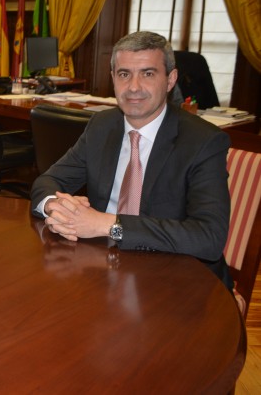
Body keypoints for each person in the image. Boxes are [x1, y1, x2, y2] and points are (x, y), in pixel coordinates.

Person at [30, 31, 232, 289]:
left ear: (170, 80)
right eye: (124, 74)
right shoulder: (102, 126)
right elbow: (48, 180)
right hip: (103, 267)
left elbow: (208, 238)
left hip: (179, 281)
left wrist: (109, 224)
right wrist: (55, 206)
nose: (134, 87)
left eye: (148, 74)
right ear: (113, 78)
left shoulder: (203, 142)